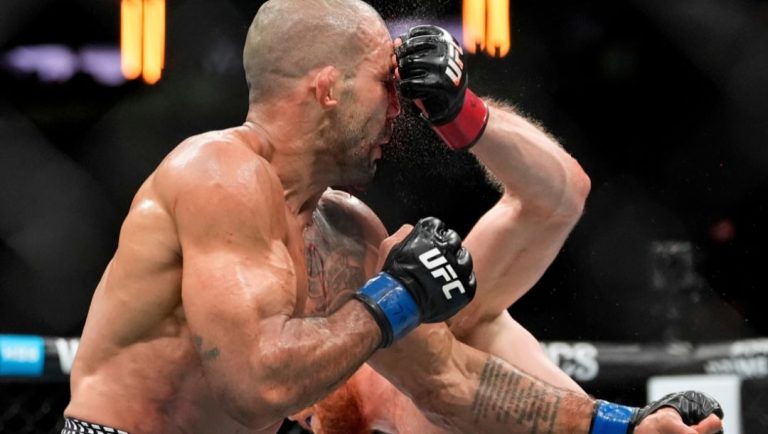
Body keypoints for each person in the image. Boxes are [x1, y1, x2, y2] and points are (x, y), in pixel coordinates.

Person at [63, 1, 723, 434]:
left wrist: (623, 424)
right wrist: (393, 298)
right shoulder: (217, 171)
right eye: (387, 85)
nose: (401, 108)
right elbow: (255, 386)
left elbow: (450, 380)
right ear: (327, 88)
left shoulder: (349, 233)